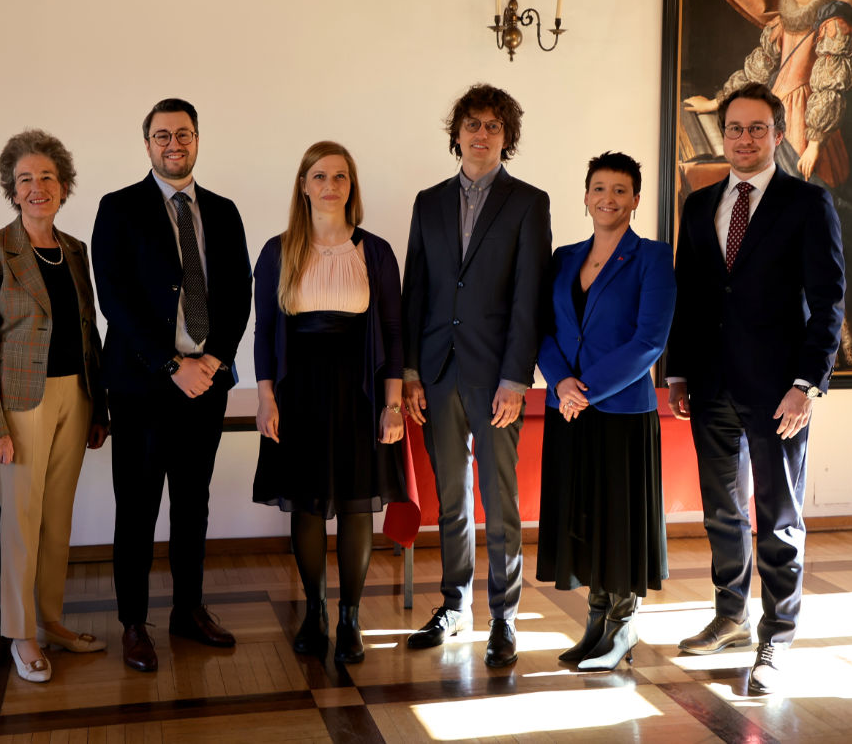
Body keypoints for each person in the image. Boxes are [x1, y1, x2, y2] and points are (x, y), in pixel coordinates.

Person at [668, 82, 845, 694]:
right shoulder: (699, 205)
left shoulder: (807, 203)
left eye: (757, 128)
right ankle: (730, 616)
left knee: (778, 515)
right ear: (725, 135)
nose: (745, 139)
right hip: (711, 385)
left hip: (778, 391)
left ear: (777, 133)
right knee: (721, 510)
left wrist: (806, 384)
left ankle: (777, 636)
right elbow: (690, 296)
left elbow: (828, 304)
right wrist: (679, 370)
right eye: (735, 129)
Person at [92, 98, 252, 673]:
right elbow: (116, 299)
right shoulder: (118, 208)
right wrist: (169, 363)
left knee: (193, 502)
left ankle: (189, 609)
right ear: (147, 144)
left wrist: (214, 359)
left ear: (197, 139)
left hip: (206, 382)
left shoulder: (224, 211)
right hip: (141, 385)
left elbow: (238, 292)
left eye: (183, 134)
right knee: (136, 506)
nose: (173, 144)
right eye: (162, 136)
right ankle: (134, 623)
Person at [401, 84, 552, 668]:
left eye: (493, 126)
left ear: (506, 137)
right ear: (456, 133)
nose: (482, 134)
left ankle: (505, 617)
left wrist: (517, 377)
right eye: (472, 124)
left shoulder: (527, 202)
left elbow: (528, 295)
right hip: (436, 372)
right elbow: (417, 291)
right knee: (451, 499)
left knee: (500, 498)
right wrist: (411, 369)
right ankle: (454, 604)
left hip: (497, 377)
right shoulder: (427, 202)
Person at [685, 0, 852, 365]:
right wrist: (716, 102)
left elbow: (832, 85)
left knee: (813, 246)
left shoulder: (832, 24)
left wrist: (814, 141)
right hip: (777, 129)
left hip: (809, 130)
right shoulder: (781, 24)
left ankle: (843, 347)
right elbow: (755, 72)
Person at [0, 130, 110, 683]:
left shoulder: (74, 249)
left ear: (64, 185)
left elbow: (86, 330)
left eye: (47, 176)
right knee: (21, 523)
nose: (37, 187)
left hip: (77, 392)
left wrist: (99, 408)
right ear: (11, 190)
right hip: (20, 404)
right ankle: (21, 633)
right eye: (25, 179)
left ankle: (52, 620)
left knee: (56, 518)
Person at [253, 141, 406, 663]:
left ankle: (350, 619)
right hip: (298, 393)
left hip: (360, 390)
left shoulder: (376, 251)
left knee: (358, 504)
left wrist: (392, 404)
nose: (330, 186)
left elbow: (392, 330)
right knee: (307, 503)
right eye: (320, 176)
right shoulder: (278, 251)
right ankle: (315, 612)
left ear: (351, 186)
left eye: (340, 177)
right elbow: (265, 331)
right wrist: (266, 398)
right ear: (303, 185)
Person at [535, 152, 676, 671]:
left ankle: (621, 626)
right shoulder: (564, 257)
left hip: (618, 410)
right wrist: (562, 383)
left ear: (636, 199)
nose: (608, 199)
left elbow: (650, 342)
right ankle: (595, 622)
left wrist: (586, 389)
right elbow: (543, 330)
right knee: (584, 519)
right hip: (567, 408)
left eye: (620, 190)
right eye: (599, 188)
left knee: (619, 522)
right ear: (586, 195)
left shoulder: (654, 258)